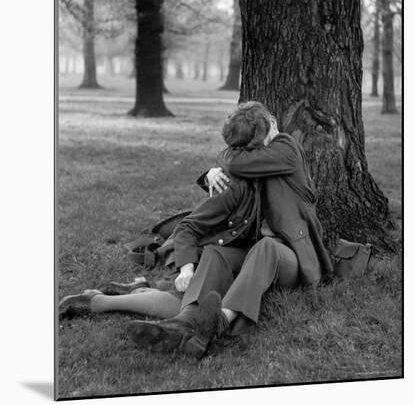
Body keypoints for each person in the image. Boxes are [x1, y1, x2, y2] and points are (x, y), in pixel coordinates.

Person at [126, 101, 333, 359]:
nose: (274, 129)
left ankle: (220, 321)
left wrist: (218, 164)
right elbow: (236, 168)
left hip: (291, 259)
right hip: (253, 256)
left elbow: (236, 162)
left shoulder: (287, 148)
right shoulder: (249, 168)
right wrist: (212, 174)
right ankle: (185, 322)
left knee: (266, 247)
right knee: (216, 253)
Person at [59, 104, 263, 350]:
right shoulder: (231, 185)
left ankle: (137, 290)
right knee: (188, 304)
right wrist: (187, 270)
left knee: (196, 304)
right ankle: (97, 302)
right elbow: (189, 228)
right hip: (201, 253)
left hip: (228, 256)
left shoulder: (267, 171)